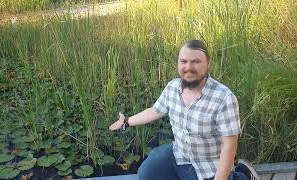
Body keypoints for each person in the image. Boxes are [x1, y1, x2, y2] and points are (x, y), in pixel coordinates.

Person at [109, 40, 259, 180]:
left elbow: (229, 145)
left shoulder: (224, 98)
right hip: (179, 153)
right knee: (147, 173)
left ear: (208, 64)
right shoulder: (173, 87)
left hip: (209, 164)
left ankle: (242, 174)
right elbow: (155, 111)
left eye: (196, 62)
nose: (188, 67)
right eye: (183, 61)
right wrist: (126, 122)